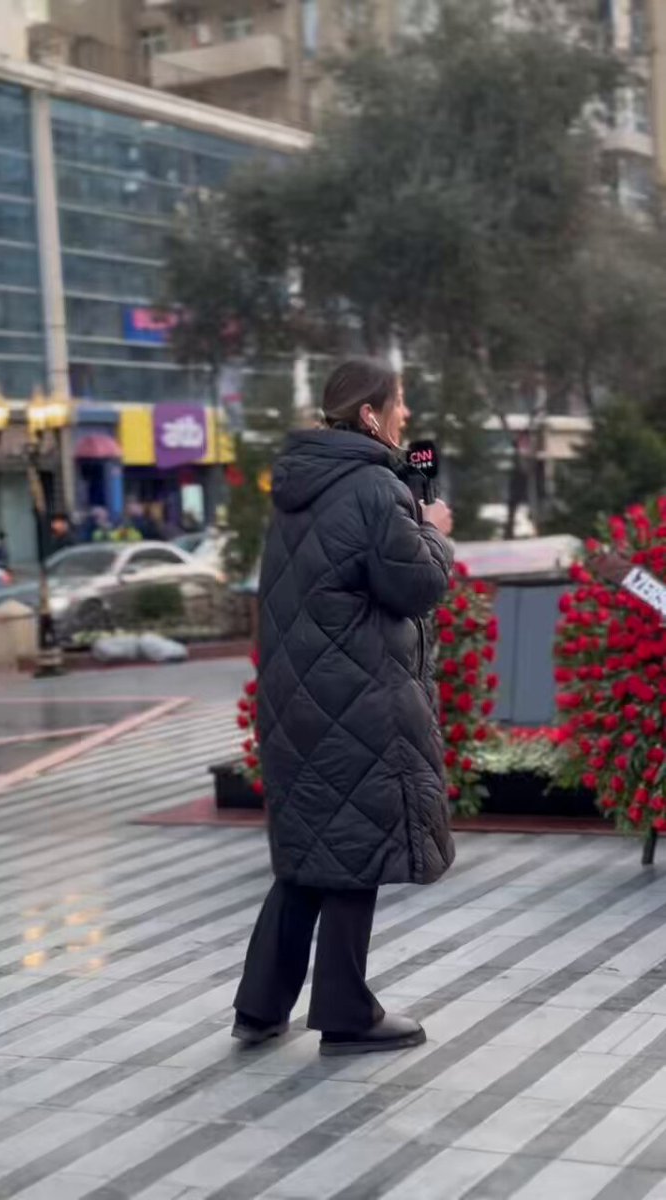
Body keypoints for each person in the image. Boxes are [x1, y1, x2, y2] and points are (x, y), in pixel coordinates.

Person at [233, 357, 455, 1057]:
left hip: (299, 698)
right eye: (398, 403)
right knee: (354, 847)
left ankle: (259, 1008)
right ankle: (345, 1010)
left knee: (309, 854)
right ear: (368, 414)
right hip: (356, 697)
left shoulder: (297, 487)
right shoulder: (371, 488)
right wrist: (434, 526)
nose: (406, 416)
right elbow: (413, 586)